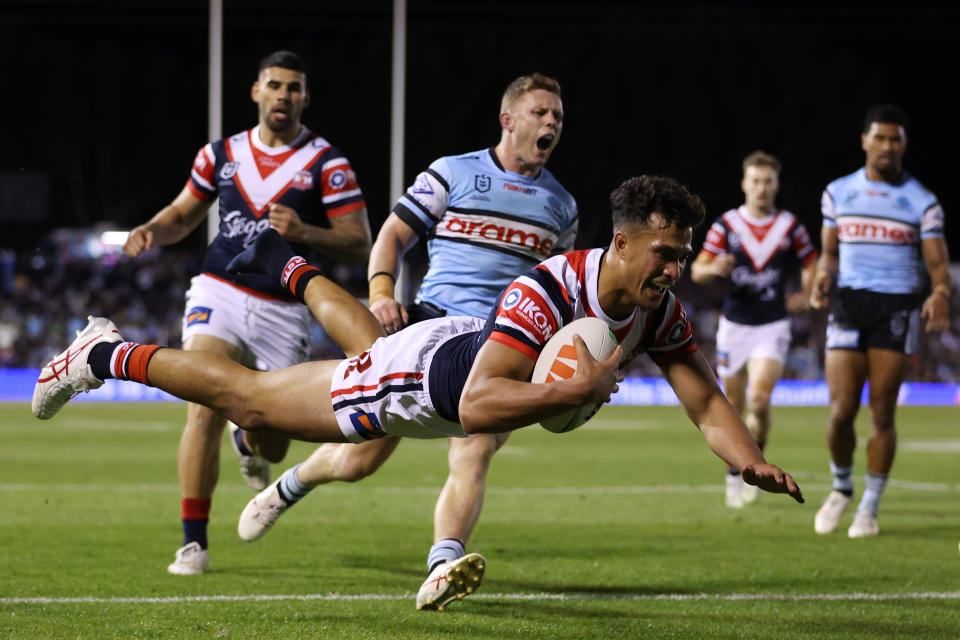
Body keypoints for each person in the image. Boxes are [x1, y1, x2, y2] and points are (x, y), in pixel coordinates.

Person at [35, 175, 804, 607]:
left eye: (683, 256)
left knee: (312, 391)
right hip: (419, 383)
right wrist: (575, 392)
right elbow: (478, 406)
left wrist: (747, 460)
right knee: (252, 402)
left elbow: (703, 398)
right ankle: (103, 354)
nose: (674, 269)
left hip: (437, 358)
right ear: (623, 242)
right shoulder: (547, 289)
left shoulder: (657, 308)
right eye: (664, 253)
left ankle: (287, 268)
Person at [236, 72, 577, 611]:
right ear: (508, 120)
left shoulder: (563, 206)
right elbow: (393, 234)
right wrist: (380, 293)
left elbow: (555, 288)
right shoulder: (454, 172)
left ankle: (443, 564)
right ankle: (289, 485)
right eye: (541, 112)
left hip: (503, 345)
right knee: (358, 461)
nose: (552, 122)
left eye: (557, 115)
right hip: (432, 329)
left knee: (475, 449)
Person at [120, 50, 372, 574]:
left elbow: (358, 242)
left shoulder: (327, 162)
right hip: (221, 289)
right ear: (256, 91)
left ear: (305, 97)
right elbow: (183, 214)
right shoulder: (222, 154)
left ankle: (248, 438)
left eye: (294, 88)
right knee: (202, 404)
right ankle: (193, 543)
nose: (284, 95)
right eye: (275, 85)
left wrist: (305, 234)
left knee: (273, 444)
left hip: (285, 303)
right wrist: (152, 230)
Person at [810, 105, 951, 538]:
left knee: (882, 413)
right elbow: (830, 254)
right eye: (881, 138)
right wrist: (820, 276)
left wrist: (940, 294)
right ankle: (841, 487)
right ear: (865, 140)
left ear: (904, 145)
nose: (888, 146)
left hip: (896, 308)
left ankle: (869, 506)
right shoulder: (838, 192)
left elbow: (938, 265)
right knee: (839, 413)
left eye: (896, 139)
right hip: (849, 304)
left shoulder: (922, 201)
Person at [690, 151, 817, 508]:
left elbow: (812, 263)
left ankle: (754, 469)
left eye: (768, 181)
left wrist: (808, 294)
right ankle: (734, 472)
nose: (761, 188)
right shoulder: (727, 225)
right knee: (733, 404)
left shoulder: (790, 226)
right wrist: (714, 268)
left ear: (776, 185)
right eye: (755, 181)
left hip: (773, 325)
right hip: (735, 327)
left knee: (759, 401)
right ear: (744, 184)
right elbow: (698, 270)